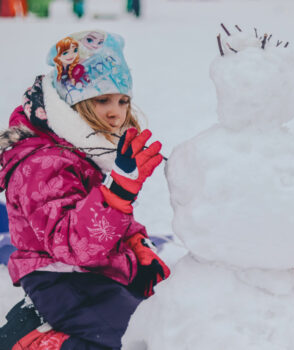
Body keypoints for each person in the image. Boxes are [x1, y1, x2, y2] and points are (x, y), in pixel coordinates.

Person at [0, 30, 170, 350]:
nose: (115, 112)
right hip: (61, 278)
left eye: (123, 101)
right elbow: (71, 245)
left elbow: (92, 213)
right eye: (102, 99)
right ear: (71, 101)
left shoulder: (84, 149)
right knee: (138, 337)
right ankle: (38, 341)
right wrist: (119, 192)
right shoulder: (41, 163)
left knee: (162, 310)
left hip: (96, 269)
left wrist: (136, 241)